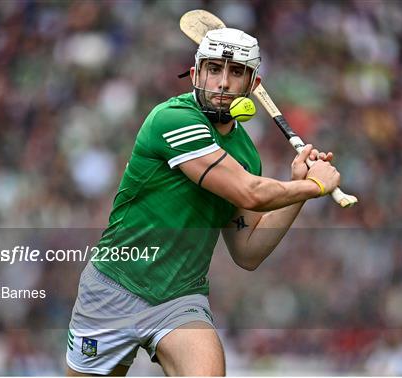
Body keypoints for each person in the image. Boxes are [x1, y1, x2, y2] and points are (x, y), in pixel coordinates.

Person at [66, 28, 340, 376]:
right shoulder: (173, 120)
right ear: (196, 75)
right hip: (115, 286)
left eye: (236, 72)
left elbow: (248, 251)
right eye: (214, 69)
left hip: (179, 299)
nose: (223, 82)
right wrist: (314, 187)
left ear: (254, 84)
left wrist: (299, 189)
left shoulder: (246, 155)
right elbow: (249, 193)